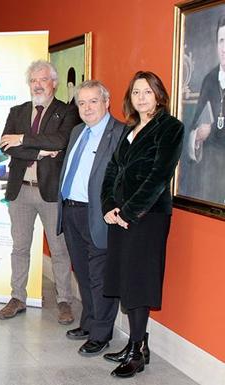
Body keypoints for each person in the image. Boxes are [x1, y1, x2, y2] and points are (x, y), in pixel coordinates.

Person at [101, 71, 183, 378]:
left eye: (147, 92)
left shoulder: (170, 127)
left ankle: (136, 352)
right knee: (125, 279)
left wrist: (128, 212)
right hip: (120, 216)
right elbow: (112, 169)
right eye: (136, 92)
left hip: (147, 218)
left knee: (139, 282)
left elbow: (160, 176)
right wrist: (108, 206)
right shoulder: (131, 127)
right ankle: (139, 343)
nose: (141, 97)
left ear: (158, 95)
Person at [0, 60, 80, 324]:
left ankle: (64, 301)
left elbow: (60, 141)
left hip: (51, 192)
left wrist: (22, 139)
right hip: (20, 191)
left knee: (59, 250)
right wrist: (42, 151)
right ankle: (17, 297)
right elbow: (6, 146)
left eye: (43, 79)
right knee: (19, 247)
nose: (37, 85)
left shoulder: (67, 112)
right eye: (33, 80)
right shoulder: (18, 111)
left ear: (53, 83)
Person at [56, 80, 123, 356]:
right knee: (82, 273)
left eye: (93, 101)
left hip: (98, 215)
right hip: (71, 211)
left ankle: (101, 334)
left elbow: (122, 179)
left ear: (106, 102)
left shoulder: (119, 133)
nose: (86, 107)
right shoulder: (77, 131)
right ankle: (89, 322)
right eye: (81, 103)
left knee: (100, 276)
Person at [184, 15, 225, 204]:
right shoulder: (209, 79)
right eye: (221, 40)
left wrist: (213, 130)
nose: (224, 48)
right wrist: (198, 135)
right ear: (217, 44)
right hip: (211, 170)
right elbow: (195, 125)